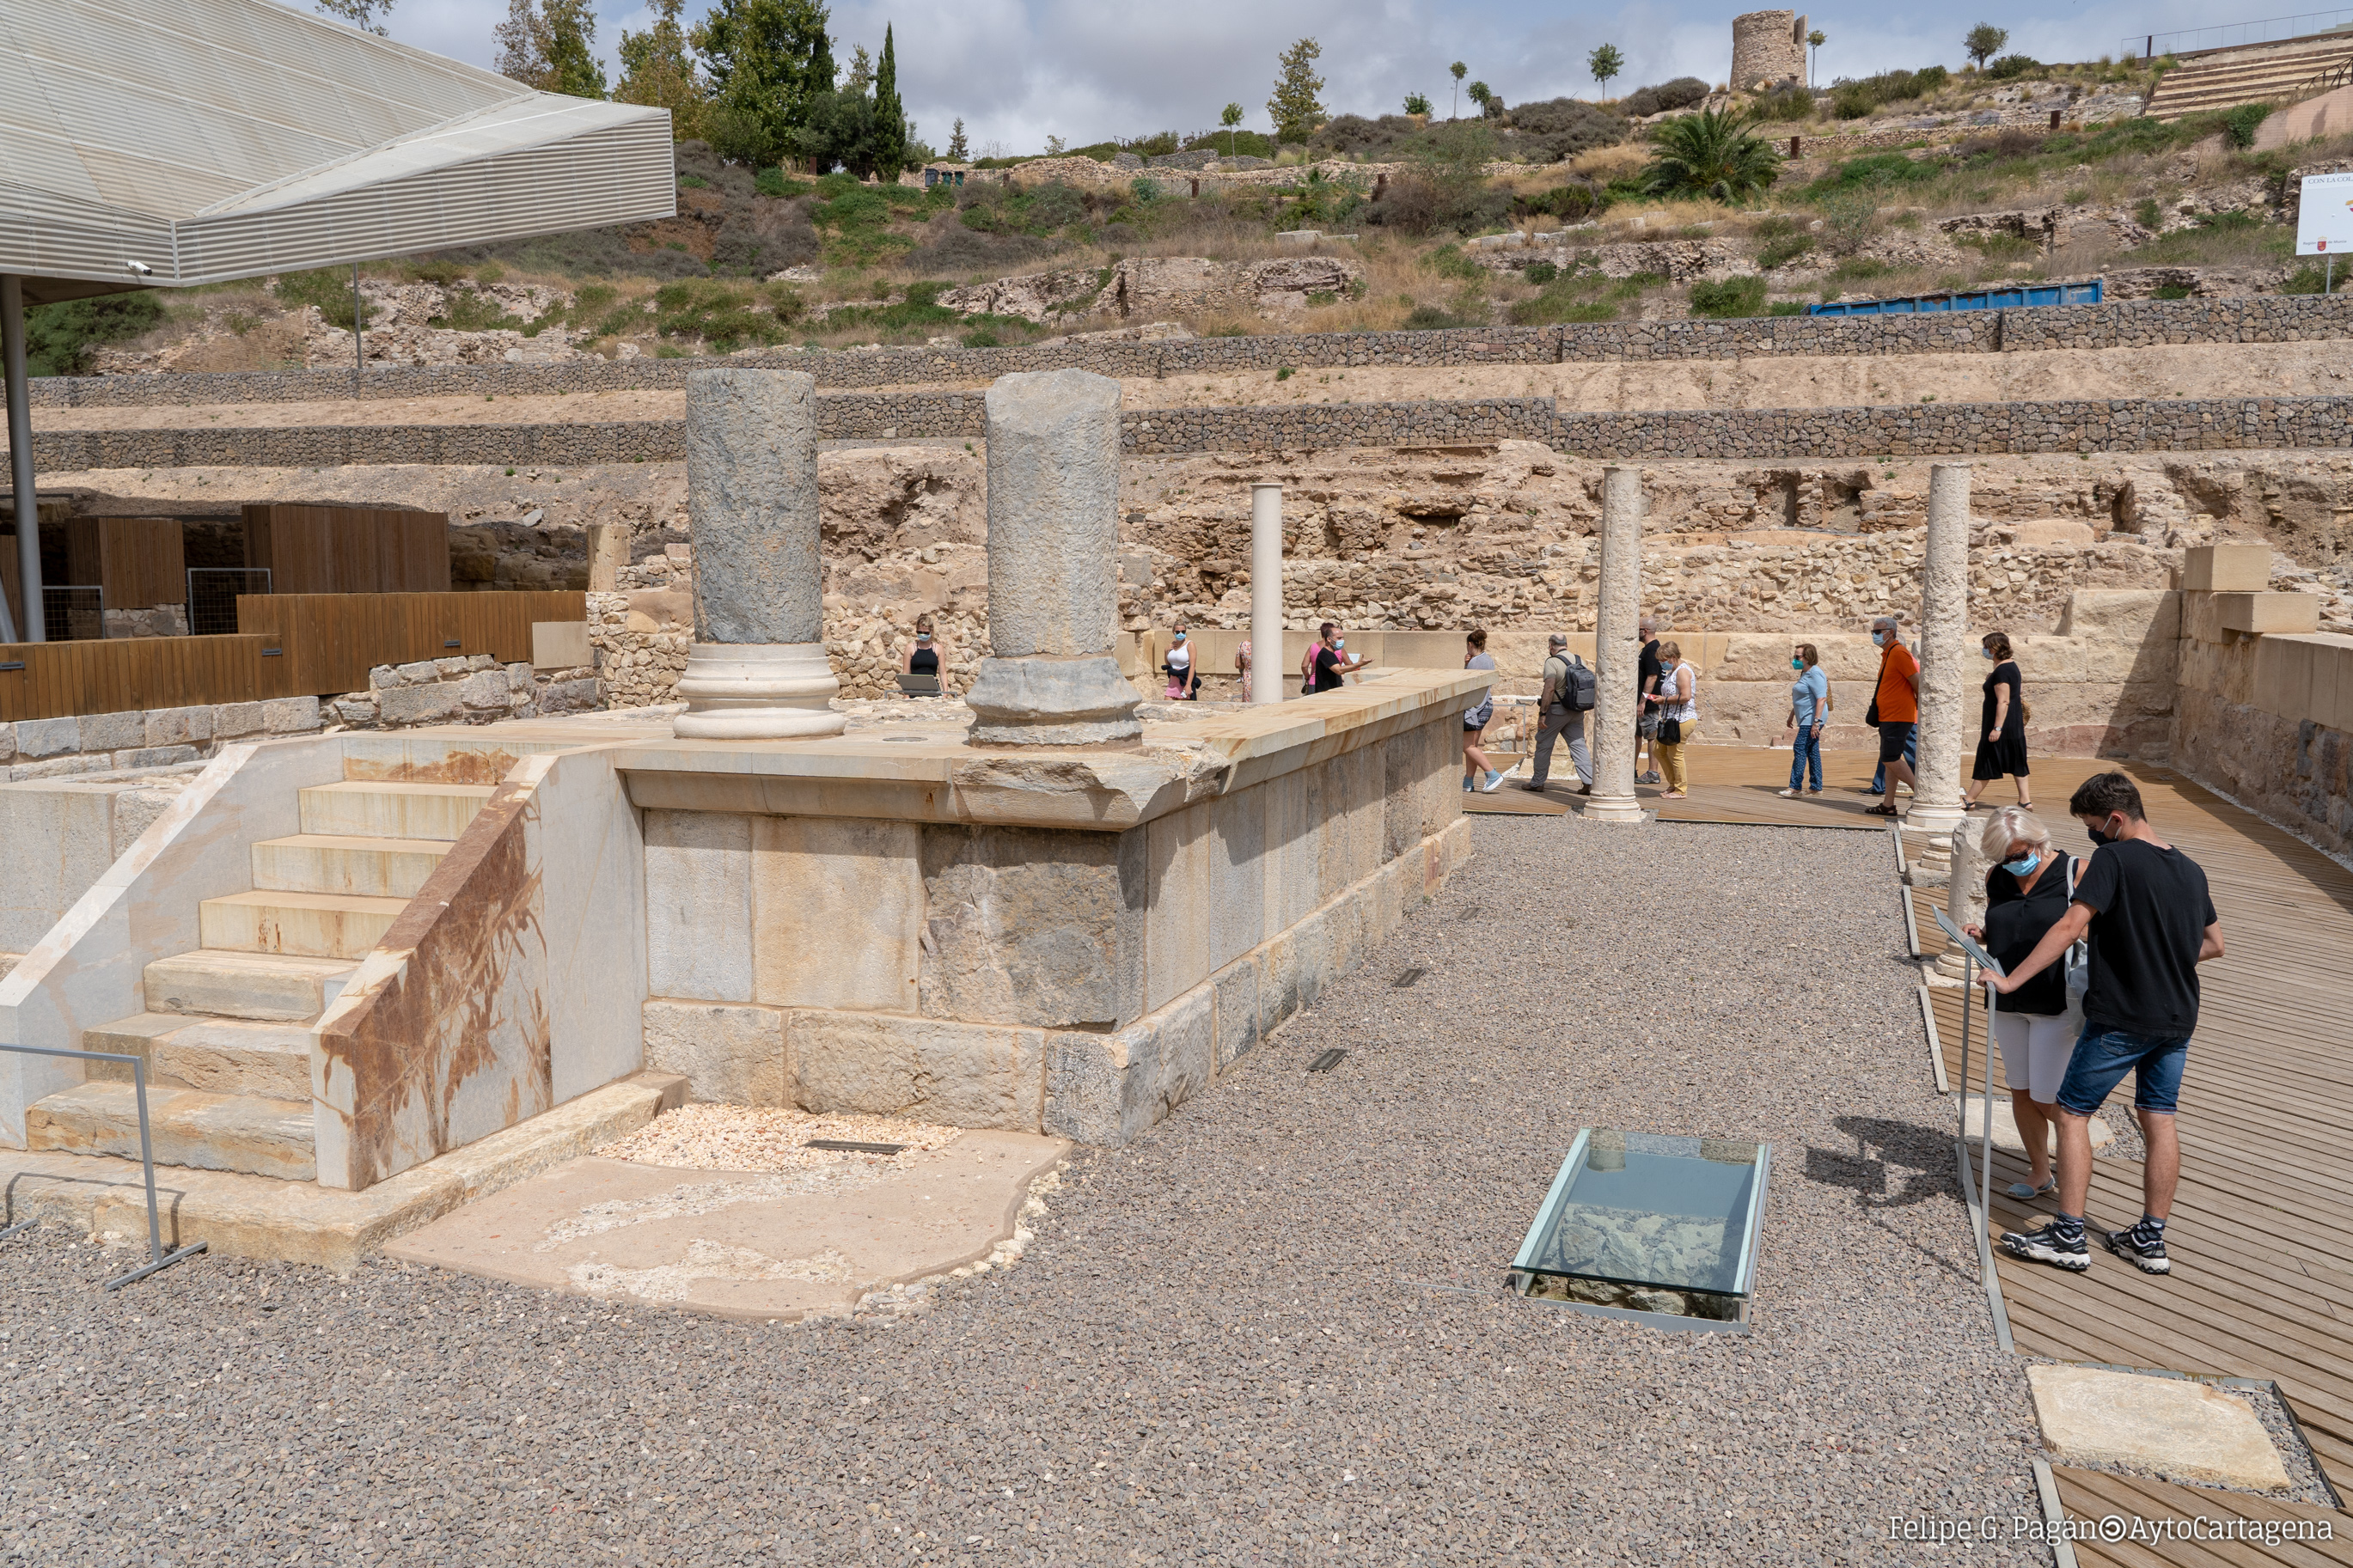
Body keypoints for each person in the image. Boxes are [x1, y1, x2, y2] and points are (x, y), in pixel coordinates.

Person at [1990, 772, 2223, 1277]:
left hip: (2122, 1015)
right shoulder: (2189, 868)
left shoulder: (2113, 859)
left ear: (2116, 820)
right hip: (2179, 1015)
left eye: (2095, 825)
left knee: (2072, 1114)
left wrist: (2011, 982)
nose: (2093, 835)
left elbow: (2070, 926)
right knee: (2158, 1118)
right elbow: (2213, 944)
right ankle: (2150, 1240)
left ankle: (2069, 1234)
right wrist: (2160, 960)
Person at [1964, 808, 2077, 1202]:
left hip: (2056, 1000)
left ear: (2038, 841)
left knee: (2050, 1097)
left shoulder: (2073, 873)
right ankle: (2040, 1170)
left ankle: (2073, 1155)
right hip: (2006, 999)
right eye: (2004, 857)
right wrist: (1982, 933)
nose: (2013, 863)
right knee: (2021, 1090)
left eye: (2018, 854)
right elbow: (2007, 922)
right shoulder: (1999, 876)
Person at [1966, 631, 2032, 810]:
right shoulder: (2011, 667)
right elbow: (2016, 692)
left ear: (1994, 648)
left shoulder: (2002, 671)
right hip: (2014, 724)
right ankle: (2025, 801)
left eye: (1986, 646)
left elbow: (2003, 701)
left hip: (2001, 724)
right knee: (2018, 761)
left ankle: (1970, 799)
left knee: (1987, 758)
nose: (1984, 650)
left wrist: (1997, 728)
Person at [1522, 633, 1594, 794]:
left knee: (1544, 744)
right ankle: (1589, 782)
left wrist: (1543, 713)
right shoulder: (1579, 659)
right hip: (1576, 710)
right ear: (1566, 644)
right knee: (1578, 745)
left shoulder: (1552, 662)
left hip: (1556, 710)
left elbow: (1549, 688)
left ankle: (1538, 782)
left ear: (1551, 646)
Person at [1863, 614, 1920, 818]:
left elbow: (1917, 682)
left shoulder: (1899, 653)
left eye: (1877, 632)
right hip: (1889, 716)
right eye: (1873, 632)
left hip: (1898, 716)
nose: (1874, 635)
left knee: (1890, 759)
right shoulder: (1889, 654)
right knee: (1890, 760)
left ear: (1890, 633)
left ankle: (1923, 796)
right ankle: (1888, 804)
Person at [1779, 643, 1829, 798]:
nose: (1795, 660)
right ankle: (1815, 787)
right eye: (1794, 657)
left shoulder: (1815, 673)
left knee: (1799, 748)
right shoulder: (1805, 673)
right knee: (1812, 752)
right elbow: (1802, 697)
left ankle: (1795, 787)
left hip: (1812, 718)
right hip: (1805, 717)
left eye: (1798, 657)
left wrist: (1816, 722)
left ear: (1808, 657)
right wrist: (1792, 715)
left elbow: (1821, 698)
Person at [1651, 639, 1697, 799]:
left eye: (1663, 661)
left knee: (1675, 754)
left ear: (1672, 657)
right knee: (1659, 750)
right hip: (1670, 718)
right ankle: (1673, 783)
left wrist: (1664, 700)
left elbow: (1685, 696)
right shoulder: (1672, 672)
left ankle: (1681, 789)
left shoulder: (1682, 671)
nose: (1661, 664)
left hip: (1682, 719)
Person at [1461, 630, 1503, 792]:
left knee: (1467, 746)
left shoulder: (1474, 662)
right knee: (1473, 745)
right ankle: (1468, 781)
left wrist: (1466, 666)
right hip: (1486, 707)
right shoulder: (1487, 660)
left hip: (1475, 709)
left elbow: (1466, 686)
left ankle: (1492, 774)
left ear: (1470, 644)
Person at [1635, 617, 1664, 784]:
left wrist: (1643, 701)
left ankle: (1653, 772)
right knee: (1637, 735)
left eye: (1637, 629)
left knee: (1652, 736)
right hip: (1641, 702)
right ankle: (1631, 769)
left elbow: (1652, 676)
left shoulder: (1653, 650)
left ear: (1645, 631)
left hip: (1648, 703)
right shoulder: (1646, 649)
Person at [1305, 622, 1366, 694]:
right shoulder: (1326, 653)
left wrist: (1307, 677)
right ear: (1329, 638)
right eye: (1339, 638)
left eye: (1342, 638)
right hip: (1326, 693)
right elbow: (1339, 670)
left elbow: (1304, 666)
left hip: (1319, 685)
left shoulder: (1319, 648)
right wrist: (1359, 664)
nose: (1342, 640)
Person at [901, 614, 943, 690]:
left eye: (926, 633)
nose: (922, 635)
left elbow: (943, 673)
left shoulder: (938, 648)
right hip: (914, 690)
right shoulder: (910, 648)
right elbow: (905, 673)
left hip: (933, 690)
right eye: (920, 632)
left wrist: (945, 694)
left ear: (931, 631)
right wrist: (906, 694)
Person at [1164, 624, 1199, 699]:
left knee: (1183, 708)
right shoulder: (1173, 645)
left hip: (1184, 681)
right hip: (1173, 681)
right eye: (1178, 632)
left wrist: (1188, 685)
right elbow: (1168, 664)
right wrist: (1166, 651)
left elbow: (1192, 666)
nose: (1180, 634)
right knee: (1166, 706)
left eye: (1183, 631)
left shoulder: (1190, 644)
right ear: (1173, 632)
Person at [1235, 638, 1253, 704]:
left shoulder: (1242, 645)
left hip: (1248, 677)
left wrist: (1246, 666)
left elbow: (1238, 665)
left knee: (1248, 703)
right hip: (1263, 677)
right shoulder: (1265, 644)